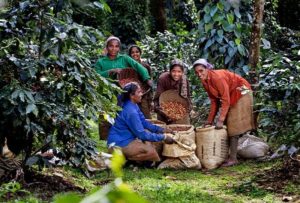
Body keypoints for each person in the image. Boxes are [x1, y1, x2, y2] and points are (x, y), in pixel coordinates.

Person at [192, 58, 255, 167]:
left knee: (233, 126)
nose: (199, 74)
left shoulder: (217, 77)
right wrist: (209, 121)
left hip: (242, 92)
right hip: (231, 96)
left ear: (207, 69)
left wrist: (220, 119)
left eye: (201, 71)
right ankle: (228, 154)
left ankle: (233, 158)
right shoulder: (204, 81)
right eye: (196, 72)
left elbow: (225, 99)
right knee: (227, 124)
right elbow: (214, 101)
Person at [107, 82, 175, 162]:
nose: (141, 94)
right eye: (139, 92)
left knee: (147, 135)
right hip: (119, 144)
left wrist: (162, 130)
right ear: (132, 95)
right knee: (152, 153)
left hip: (125, 139)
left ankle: (130, 157)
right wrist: (164, 137)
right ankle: (126, 159)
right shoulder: (131, 111)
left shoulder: (133, 105)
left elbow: (144, 123)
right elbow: (141, 134)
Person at [153, 59, 191, 124]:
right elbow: (158, 97)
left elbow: (187, 96)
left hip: (179, 105)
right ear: (170, 71)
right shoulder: (163, 78)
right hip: (163, 105)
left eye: (179, 71)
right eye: (173, 71)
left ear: (182, 72)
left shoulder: (184, 80)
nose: (176, 74)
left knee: (183, 128)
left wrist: (189, 107)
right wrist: (161, 110)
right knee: (165, 129)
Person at [128, 44, 152, 119]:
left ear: (140, 53)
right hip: (131, 95)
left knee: (146, 117)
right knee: (133, 117)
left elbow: (149, 82)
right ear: (130, 55)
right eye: (132, 52)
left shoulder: (145, 66)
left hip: (144, 95)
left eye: (137, 52)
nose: (135, 54)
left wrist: (150, 100)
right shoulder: (128, 66)